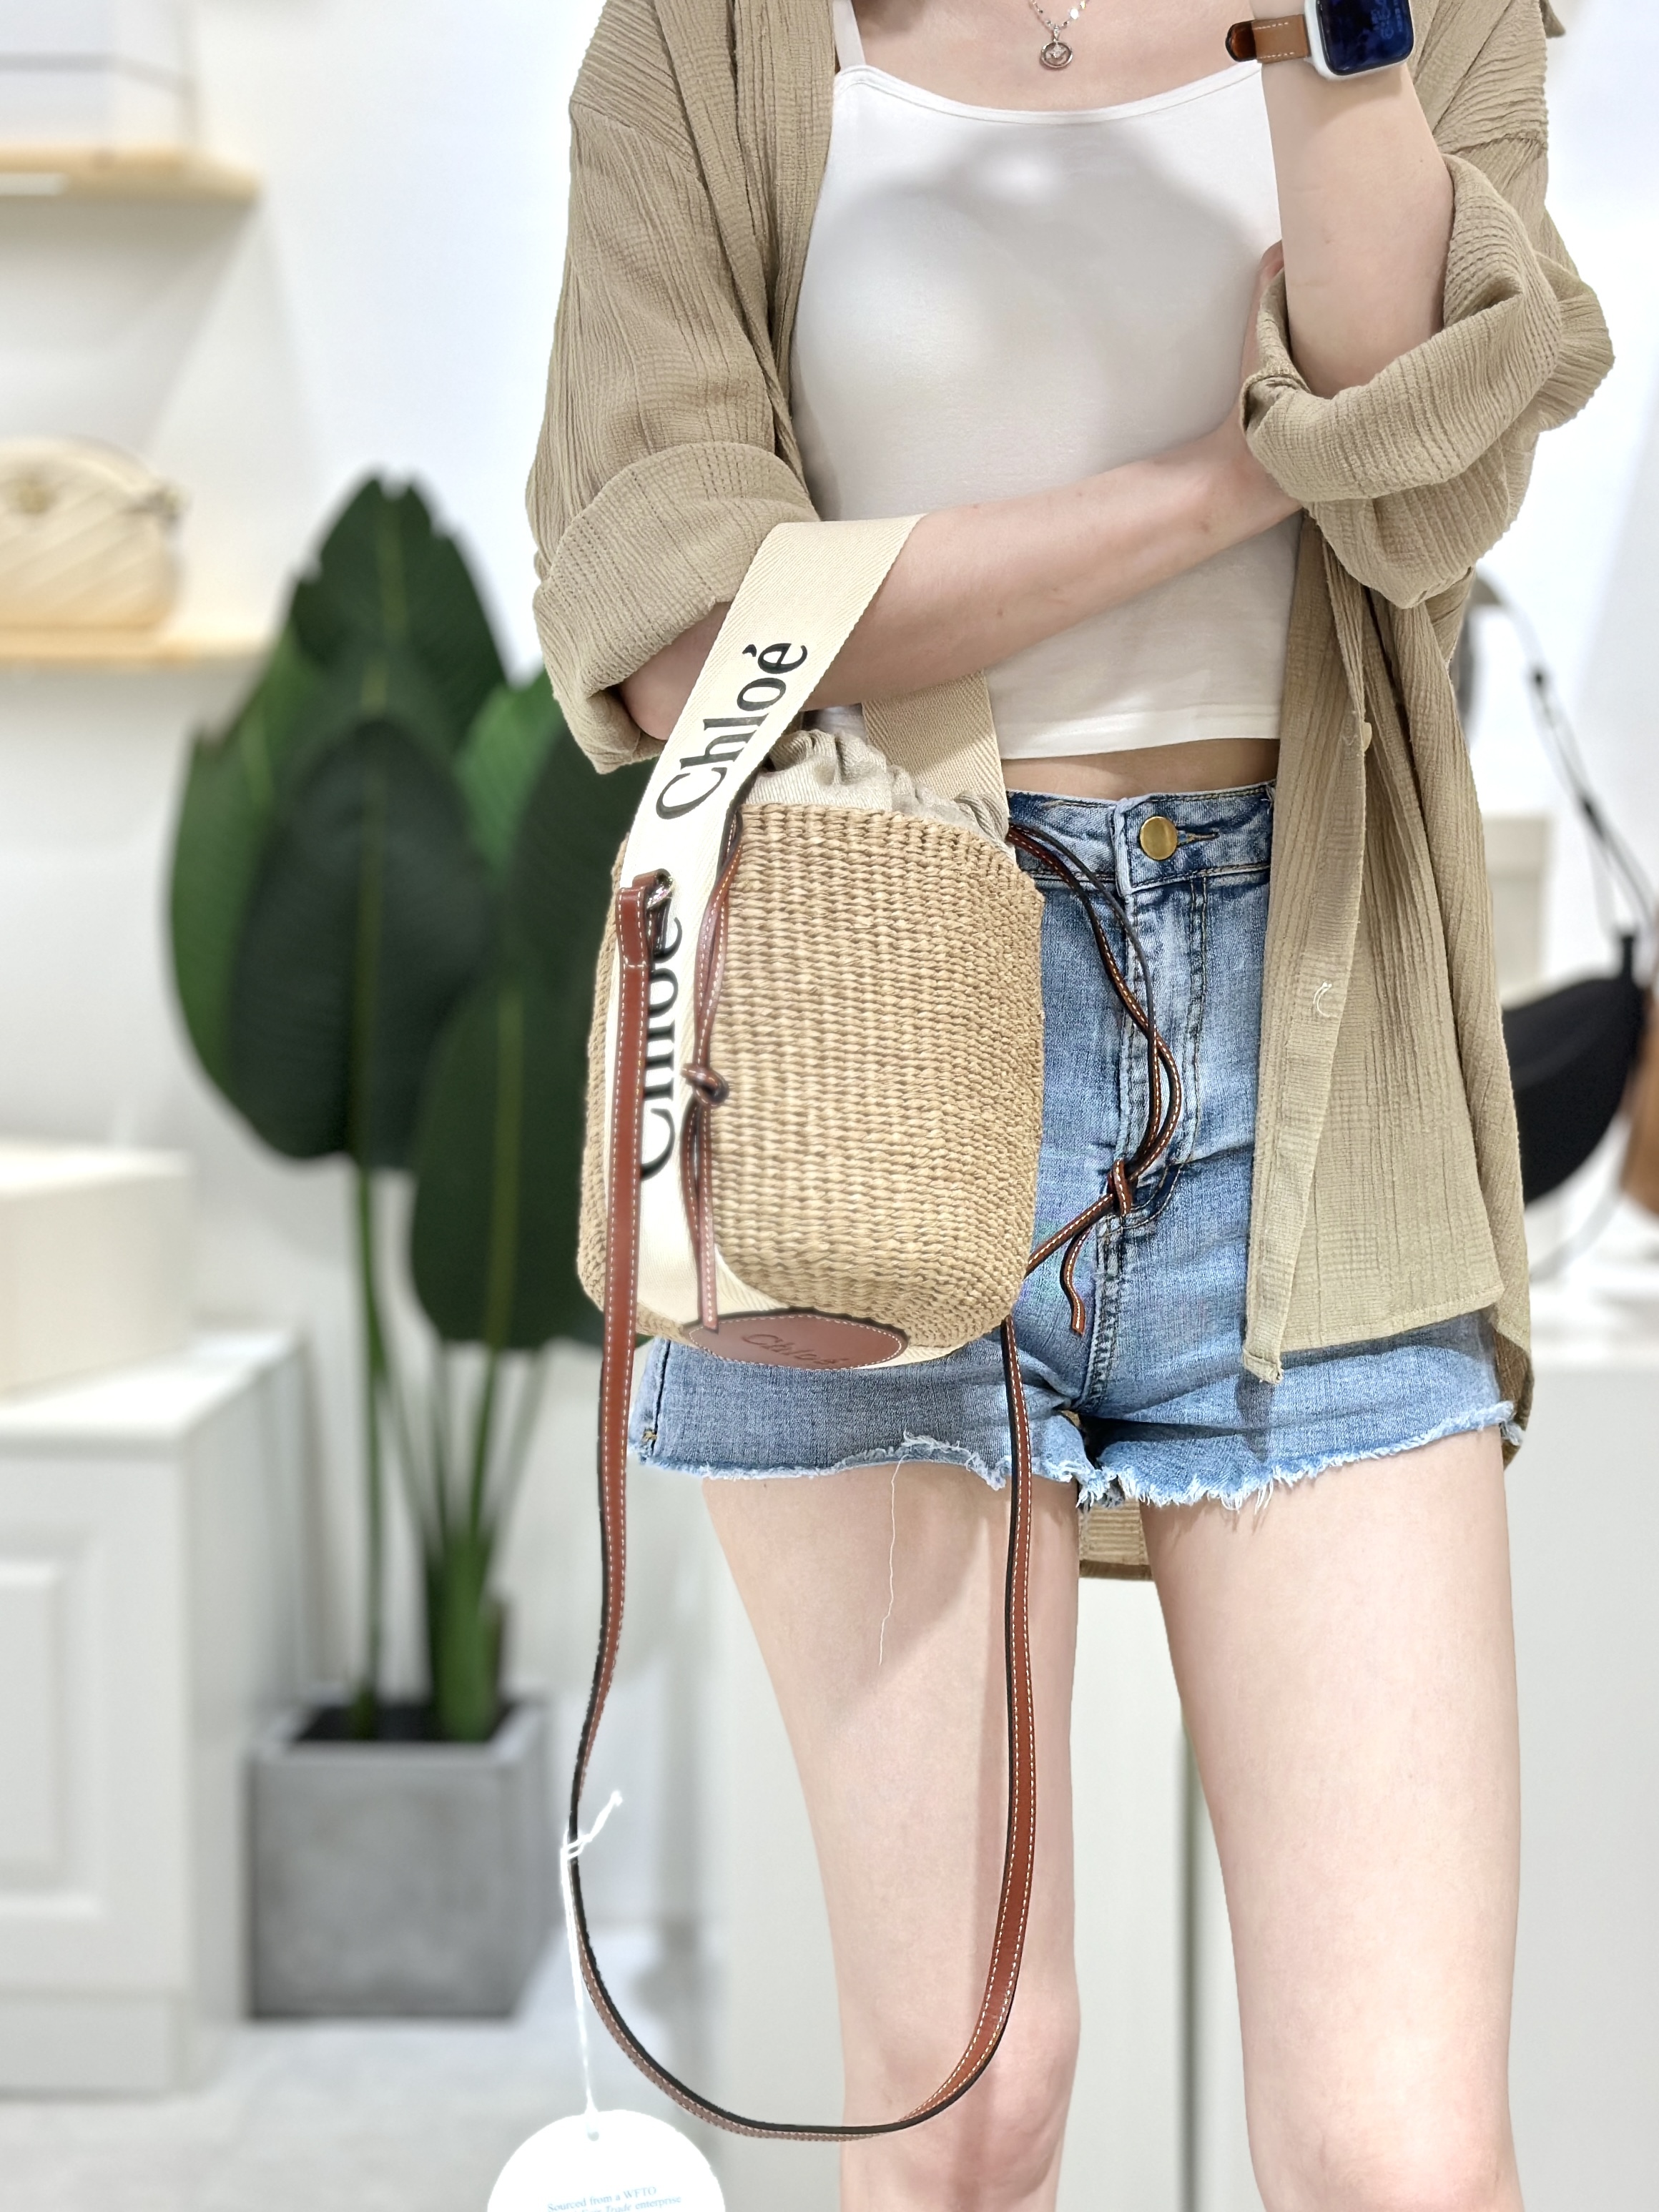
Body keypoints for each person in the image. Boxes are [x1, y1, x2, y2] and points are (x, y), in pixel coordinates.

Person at [531, 1, 1610, 2204]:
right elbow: (684, 630)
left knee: (1406, 2161)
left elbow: (1425, 479)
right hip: (862, 1045)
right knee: (967, 2101)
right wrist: (1242, 474)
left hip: (1315, 1050)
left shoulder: (1429, 26)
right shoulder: (712, 38)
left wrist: (1339, 55)